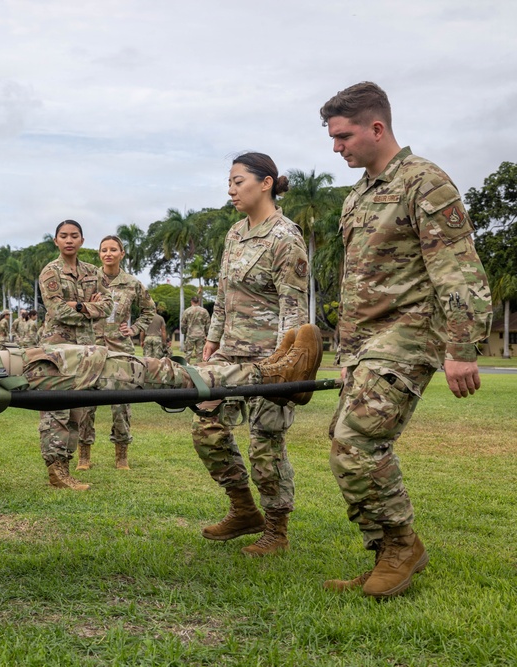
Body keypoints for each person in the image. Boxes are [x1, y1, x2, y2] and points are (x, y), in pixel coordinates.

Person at [319, 82, 491, 597]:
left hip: (409, 337)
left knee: (357, 442)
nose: (336, 148)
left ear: (377, 128)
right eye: (332, 138)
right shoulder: (358, 197)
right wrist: (348, 355)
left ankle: (402, 547)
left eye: (343, 136)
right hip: (368, 345)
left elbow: (458, 270)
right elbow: (357, 284)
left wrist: (461, 350)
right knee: (344, 443)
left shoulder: (425, 182)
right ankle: (385, 554)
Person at [0, 311, 323, 415]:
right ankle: (269, 376)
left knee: (148, 369)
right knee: (154, 373)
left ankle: (267, 373)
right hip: (41, 371)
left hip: (40, 365)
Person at [193, 152, 309, 557]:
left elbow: (293, 308)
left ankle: (277, 530)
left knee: (266, 444)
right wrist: (212, 340)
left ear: (266, 183)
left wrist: (284, 362)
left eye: (238, 181)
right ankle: (243, 510)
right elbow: (223, 297)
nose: (230, 189)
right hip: (229, 354)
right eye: (229, 181)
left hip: (271, 359)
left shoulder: (285, 237)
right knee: (206, 428)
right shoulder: (234, 234)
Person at [37, 220, 111, 490]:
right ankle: (55, 469)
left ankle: (65, 469)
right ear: (55, 240)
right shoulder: (50, 272)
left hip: (85, 349)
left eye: (74, 236)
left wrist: (79, 305)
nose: (69, 240)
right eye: (63, 236)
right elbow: (57, 311)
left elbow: (108, 305)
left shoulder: (93, 271)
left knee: (77, 410)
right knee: (56, 408)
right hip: (57, 349)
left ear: (81, 240)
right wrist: (90, 307)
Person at [75, 235, 155, 471]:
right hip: (91, 346)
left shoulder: (131, 283)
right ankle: (84, 456)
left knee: (121, 404)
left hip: (120, 348)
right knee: (86, 403)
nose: (108, 254)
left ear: (122, 253)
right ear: (99, 254)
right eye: (103, 250)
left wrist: (134, 329)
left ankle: (121, 455)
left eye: (113, 250)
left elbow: (148, 310)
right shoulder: (89, 280)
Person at [180, 296, 210, 365]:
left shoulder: (187, 311)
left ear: (191, 302)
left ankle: (186, 367)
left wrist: (184, 332)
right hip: (201, 335)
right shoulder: (204, 311)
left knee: (188, 352)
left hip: (190, 334)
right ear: (198, 302)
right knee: (200, 353)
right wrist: (207, 334)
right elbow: (208, 324)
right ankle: (199, 367)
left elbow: (183, 324)